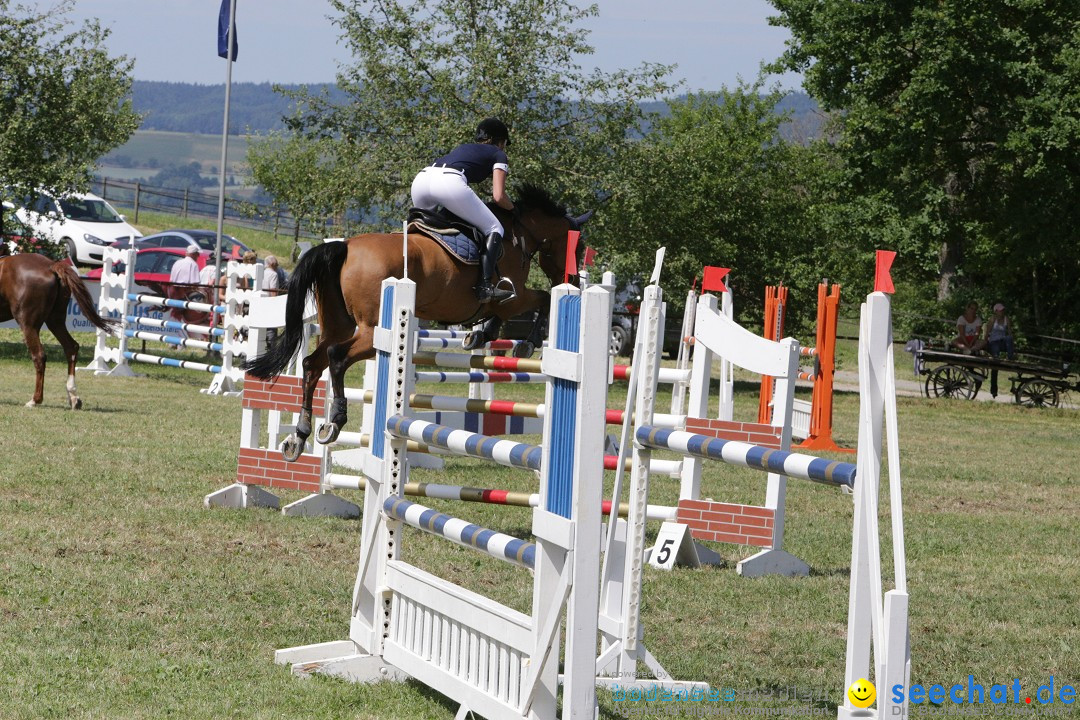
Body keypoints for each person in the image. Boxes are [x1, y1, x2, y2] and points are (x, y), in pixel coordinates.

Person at [411, 117, 516, 303]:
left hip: (422, 178)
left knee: (421, 228)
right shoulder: (498, 154)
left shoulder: (464, 148)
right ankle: (485, 287)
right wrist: (512, 209)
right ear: (500, 142)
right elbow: (498, 196)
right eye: (504, 144)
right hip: (449, 182)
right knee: (495, 228)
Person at [168, 245, 202, 326]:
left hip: (174, 293)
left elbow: (171, 280)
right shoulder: (193, 264)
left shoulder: (177, 262)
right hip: (185, 294)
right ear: (194, 254)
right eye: (198, 254)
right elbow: (195, 283)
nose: (198, 256)